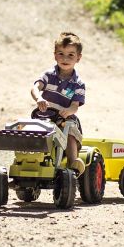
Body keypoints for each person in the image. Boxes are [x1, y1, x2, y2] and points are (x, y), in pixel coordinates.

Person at [31, 32, 86, 177]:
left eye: (70, 55)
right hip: (45, 114)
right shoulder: (48, 75)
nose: (65, 58)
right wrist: (39, 99)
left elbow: (75, 104)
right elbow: (35, 87)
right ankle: (31, 161)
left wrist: (69, 110)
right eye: (61, 54)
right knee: (30, 130)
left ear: (78, 58)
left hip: (64, 117)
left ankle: (73, 162)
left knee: (69, 129)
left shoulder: (78, 84)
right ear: (55, 55)